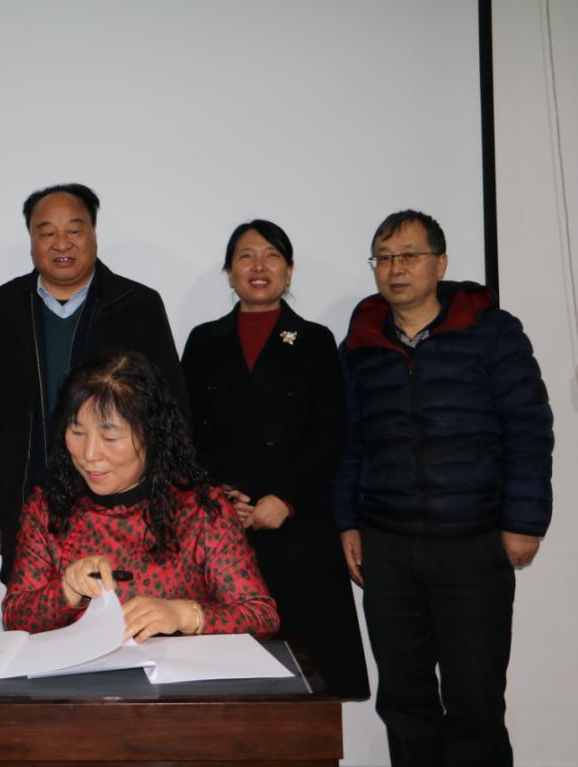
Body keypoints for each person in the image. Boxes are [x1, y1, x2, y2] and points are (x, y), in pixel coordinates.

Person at [334, 210, 552, 767]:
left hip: (472, 544)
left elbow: (528, 427)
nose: (395, 269)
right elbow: (349, 439)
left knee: (475, 702)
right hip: (389, 547)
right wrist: (347, 521)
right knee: (404, 702)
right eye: (384, 258)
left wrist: (524, 522)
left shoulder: (492, 332)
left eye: (409, 256)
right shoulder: (360, 344)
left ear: (441, 263)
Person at [180, 220, 369, 699]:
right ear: (229, 272)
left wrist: (285, 499)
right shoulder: (204, 340)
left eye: (271, 255)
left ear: (288, 270)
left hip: (299, 523)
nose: (258, 266)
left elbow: (331, 432)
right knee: (228, 678)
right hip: (223, 526)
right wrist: (220, 496)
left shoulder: (316, 340)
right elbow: (185, 429)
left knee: (309, 674)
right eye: (245, 256)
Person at [0, 183, 186, 582]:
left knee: (127, 603)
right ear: (31, 239)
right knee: (38, 609)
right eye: (47, 232)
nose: (62, 243)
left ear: (93, 233)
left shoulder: (137, 305)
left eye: (74, 230)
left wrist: (170, 497)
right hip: (30, 500)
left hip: (125, 504)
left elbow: (170, 408)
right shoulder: (5, 310)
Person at [3, 349, 278, 640]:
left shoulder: (200, 510)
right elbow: (15, 618)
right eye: (77, 432)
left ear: (152, 435)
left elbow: (260, 615)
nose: (89, 454)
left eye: (110, 437)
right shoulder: (48, 508)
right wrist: (66, 591)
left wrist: (183, 615)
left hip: (174, 669)